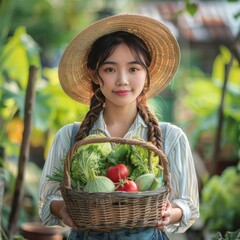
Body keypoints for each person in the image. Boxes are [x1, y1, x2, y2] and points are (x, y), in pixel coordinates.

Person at [39, 14, 199, 240]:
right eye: (110, 69)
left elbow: (189, 205)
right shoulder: (70, 136)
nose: (122, 80)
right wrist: (63, 210)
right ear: (95, 74)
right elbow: (47, 200)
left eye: (133, 69)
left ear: (146, 73)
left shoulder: (172, 138)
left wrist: (171, 213)